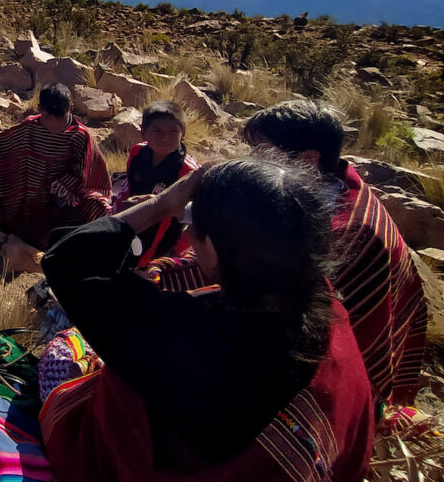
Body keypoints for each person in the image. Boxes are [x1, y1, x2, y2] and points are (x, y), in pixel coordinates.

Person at [38, 158, 374, 481]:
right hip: (252, 438)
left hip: (159, 461)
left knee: (61, 355)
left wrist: (161, 203)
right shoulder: (322, 301)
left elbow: (67, 260)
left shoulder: (180, 334)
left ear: (211, 248)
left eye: (191, 227)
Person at [244, 99, 427, 408]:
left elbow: (301, 320)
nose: (252, 160)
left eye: (262, 151)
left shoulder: (346, 237)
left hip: (339, 378)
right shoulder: (333, 183)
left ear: (307, 160)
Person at [0, 83, 112, 248]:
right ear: (40, 109)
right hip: (30, 194)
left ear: (70, 109)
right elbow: (1, 147)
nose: (55, 124)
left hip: (64, 199)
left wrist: (61, 192)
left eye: (61, 117)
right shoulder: (30, 127)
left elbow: (86, 172)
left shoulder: (80, 135)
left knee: (98, 208)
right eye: (49, 118)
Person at [113, 100, 200, 267]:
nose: (164, 137)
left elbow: (197, 217)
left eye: (173, 131)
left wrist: (176, 252)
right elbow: (130, 187)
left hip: (163, 239)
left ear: (183, 134)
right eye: (157, 130)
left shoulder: (189, 172)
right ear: (143, 133)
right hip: (133, 224)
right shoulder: (137, 152)